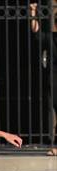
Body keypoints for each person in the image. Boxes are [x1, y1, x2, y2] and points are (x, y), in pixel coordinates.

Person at [30, 2, 57, 156]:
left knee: (51, 111)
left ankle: (53, 145)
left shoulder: (50, 37)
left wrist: (33, 13)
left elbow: (36, 31)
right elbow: (37, 33)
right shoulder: (51, 38)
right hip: (53, 78)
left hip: (52, 79)